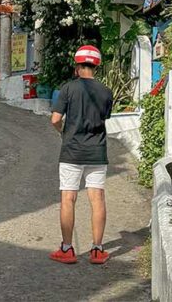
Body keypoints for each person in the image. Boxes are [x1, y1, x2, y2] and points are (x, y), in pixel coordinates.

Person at [49, 44, 114, 265]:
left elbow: (55, 119)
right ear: (96, 65)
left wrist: (63, 133)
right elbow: (104, 118)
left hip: (72, 152)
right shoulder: (106, 92)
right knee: (97, 199)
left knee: (68, 198)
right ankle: (97, 249)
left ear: (77, 65)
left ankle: (67, 249)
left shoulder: (68, 89)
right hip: (97, 151)